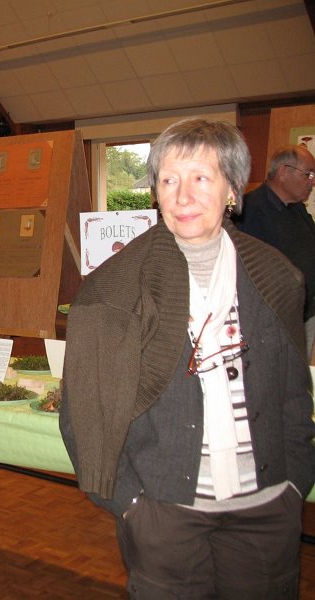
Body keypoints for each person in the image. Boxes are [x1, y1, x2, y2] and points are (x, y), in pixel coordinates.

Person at [59, 119, 315, 599]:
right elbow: (84, 413)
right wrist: (130, 503)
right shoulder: (112, 290)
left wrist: (294, 483)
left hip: (267, 507)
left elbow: (293, 394)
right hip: (163, 512)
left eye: (201, 177)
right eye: (169, 180)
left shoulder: (277, 278)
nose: (181, 196)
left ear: (232, 190)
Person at [235, 145, 315, 356]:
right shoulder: (249, 210)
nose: (312, 181)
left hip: (306, 313)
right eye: (308, 174)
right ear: (282, 171)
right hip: (274, 320)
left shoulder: (297, 208)